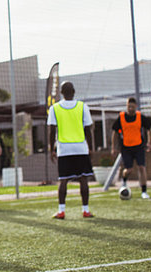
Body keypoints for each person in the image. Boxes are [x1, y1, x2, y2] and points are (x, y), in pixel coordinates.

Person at [47, 81, 95, 219]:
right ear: (74, 91)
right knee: (83, 179)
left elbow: (51, 130)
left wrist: (52, 149)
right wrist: (90, 148)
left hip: (64, 149)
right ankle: (85, 210)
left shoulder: (54, 108)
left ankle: (61, 211)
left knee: (63, 180)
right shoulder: (83, 106)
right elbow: (88, 129)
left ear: (61, 93)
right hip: (80, 148)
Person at [111, 97, 151, 199]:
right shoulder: (121, 117)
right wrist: (113, 147)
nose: (130, 109)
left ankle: (144, 191)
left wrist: (149, 142)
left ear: (136, 107)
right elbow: (115, 133)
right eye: (129, 106)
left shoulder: (140, 117)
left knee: (141, 168)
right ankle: (124, 182)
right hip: (126, 147)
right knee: (128, 170)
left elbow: (149, 129)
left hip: (139, 146)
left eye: (132, 107)